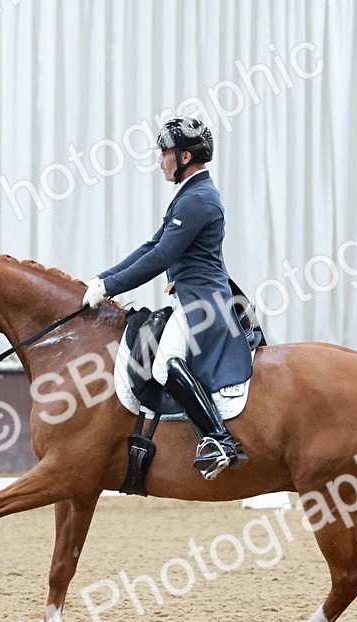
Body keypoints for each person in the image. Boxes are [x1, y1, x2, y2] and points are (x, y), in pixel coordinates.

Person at [82, 118, 252, 480]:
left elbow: (160, 258)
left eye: (164, 153)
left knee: (163, 364)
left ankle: (219, 440)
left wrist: (111, 288)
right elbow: (151, 246)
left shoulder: (198, 200)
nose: (160, 160)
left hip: (202, 302)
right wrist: (103, 278)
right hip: (192, 296)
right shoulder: (190, 195)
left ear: (185, 155)